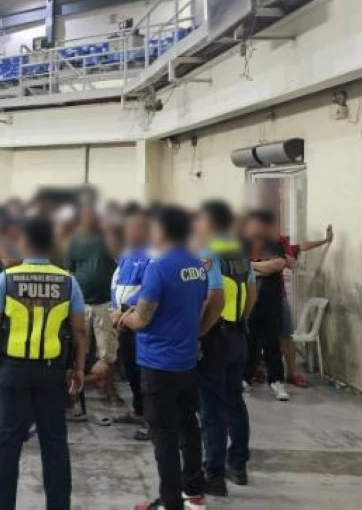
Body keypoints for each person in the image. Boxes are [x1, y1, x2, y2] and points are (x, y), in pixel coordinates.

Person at [0, 215, 87, 510]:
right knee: (54, 443)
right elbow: (79, 331)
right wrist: (78, 368)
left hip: (12, 372)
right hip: (51, 373)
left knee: (8, 444)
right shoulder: (68, 281)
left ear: (24, 243)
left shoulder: (7, 279)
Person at [120, 206, 219, 510]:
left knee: (163, 434)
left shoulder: (159, 267)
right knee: (188, 425)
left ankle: (170, 501)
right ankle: (194, 492)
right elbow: (201, 303)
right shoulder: (197, 266)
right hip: (186, 360)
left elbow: (143, 318)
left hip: (158, 362)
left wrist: (122, 318)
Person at [194, 200, 256, 493]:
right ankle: (238, 465)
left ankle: (214, 475)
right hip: (237, 336)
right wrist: (241, 322)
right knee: (234, 401)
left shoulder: (208, 253)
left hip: (215, 337)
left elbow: (214, 298)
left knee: (211, 408)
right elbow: (252, 294)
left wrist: (199, 334)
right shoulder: (240, 254)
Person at [65, 204, 120, 404]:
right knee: (77, 350)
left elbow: (117, 256)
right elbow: (69, 270)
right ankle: (73, 395)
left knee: (108, 351)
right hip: (81, 305)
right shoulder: (74, 240)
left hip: (106, 302)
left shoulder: (108, 238)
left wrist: (109, 231)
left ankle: (109, 391)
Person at [109, 208, 152, 439]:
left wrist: (124, 310)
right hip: (123, 321)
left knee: (144, 373)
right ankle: (138, 410)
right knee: (130, 370)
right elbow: (116, 282)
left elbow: (149, 289)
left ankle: (151, 419)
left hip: (139, 321)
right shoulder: (127, 254)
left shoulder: (152, 255)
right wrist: (114, 310)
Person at [243, 209, 290, 401]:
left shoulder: (273, 245)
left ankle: (276, 381)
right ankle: (245, 379)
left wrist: (251, 266)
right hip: (250, 304)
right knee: (249, 342)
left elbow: (278, 265)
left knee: (272, 344)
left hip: (271, 304)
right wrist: (263, 268)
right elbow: (240, 267)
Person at [278, 224, 334, 387]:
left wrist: (325, 240)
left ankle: (291, 373)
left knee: (286, 335)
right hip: (258, 296)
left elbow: (301, 247)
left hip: (278, 296)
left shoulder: (281, 243)